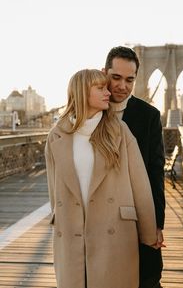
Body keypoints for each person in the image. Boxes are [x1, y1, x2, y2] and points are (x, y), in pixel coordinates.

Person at [45, 69, 159, 288]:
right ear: (81, 92)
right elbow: (54, 188)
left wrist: (149, 233)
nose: (108, 92)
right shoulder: (56, 136)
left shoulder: (119, 131)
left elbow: (140, 184)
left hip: (114, 233)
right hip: (72, 232)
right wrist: (58, 217)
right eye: (100, 88)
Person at [104, 46, 166, 288]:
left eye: (130, 79)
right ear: (104, 72)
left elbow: (155, 171)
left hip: (136, 214)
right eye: (116, 77)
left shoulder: (149, 116)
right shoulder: (91, 112)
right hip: (100, 221)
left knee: (147, 279)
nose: (122, 86)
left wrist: (157, 223)